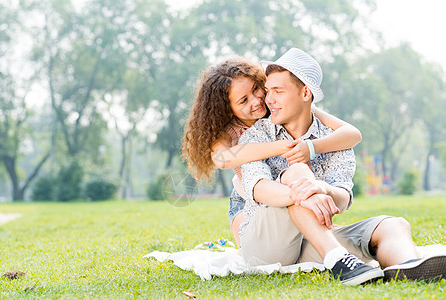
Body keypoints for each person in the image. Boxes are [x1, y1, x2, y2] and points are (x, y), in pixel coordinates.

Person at [238, 47, 446, 285]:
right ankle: (337, 258)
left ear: (305, 93)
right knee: (297, 173)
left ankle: (407, 267)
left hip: (311, 241)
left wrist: (323, 190)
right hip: (265, 248)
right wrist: (306, 192)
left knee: (393, 224)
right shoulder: (256, 136)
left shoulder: (333, 140)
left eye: (277, 91)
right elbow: (258, 188)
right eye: (268, 91)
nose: (269, 100)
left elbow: (342, 198)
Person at [182, 57, 362, 248]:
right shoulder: (230, 131)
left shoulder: (279, 106)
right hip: (247, 201)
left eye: (255, 89)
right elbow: (222, 159)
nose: (257, 100)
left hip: (289, 187)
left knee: (312, 240)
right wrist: (285, 146)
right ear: (227, 109)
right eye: (243, 100)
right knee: (254, 253)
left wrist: (312, 147)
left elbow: (352, 134)